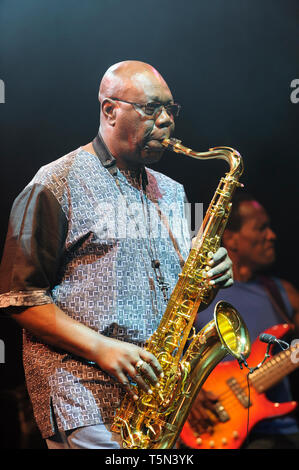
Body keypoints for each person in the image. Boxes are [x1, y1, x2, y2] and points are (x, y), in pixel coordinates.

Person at [0, 60, 234, 449]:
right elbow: (18, 298)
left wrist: (205, 279)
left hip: (156, 403)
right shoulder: (56, 181)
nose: (165, 121)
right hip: (85, 397)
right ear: (110, 110)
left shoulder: (172, 192)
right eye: (151, 109)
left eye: (170, 110)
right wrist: (101, 348)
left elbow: (172, 294)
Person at [187, 191, 299, 449]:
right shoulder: (197, 293)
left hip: (278, 433)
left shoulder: (282, 293)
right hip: (211, 427)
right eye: (261, 228)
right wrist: (189, 394)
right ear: (232, 239)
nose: (272, 235)